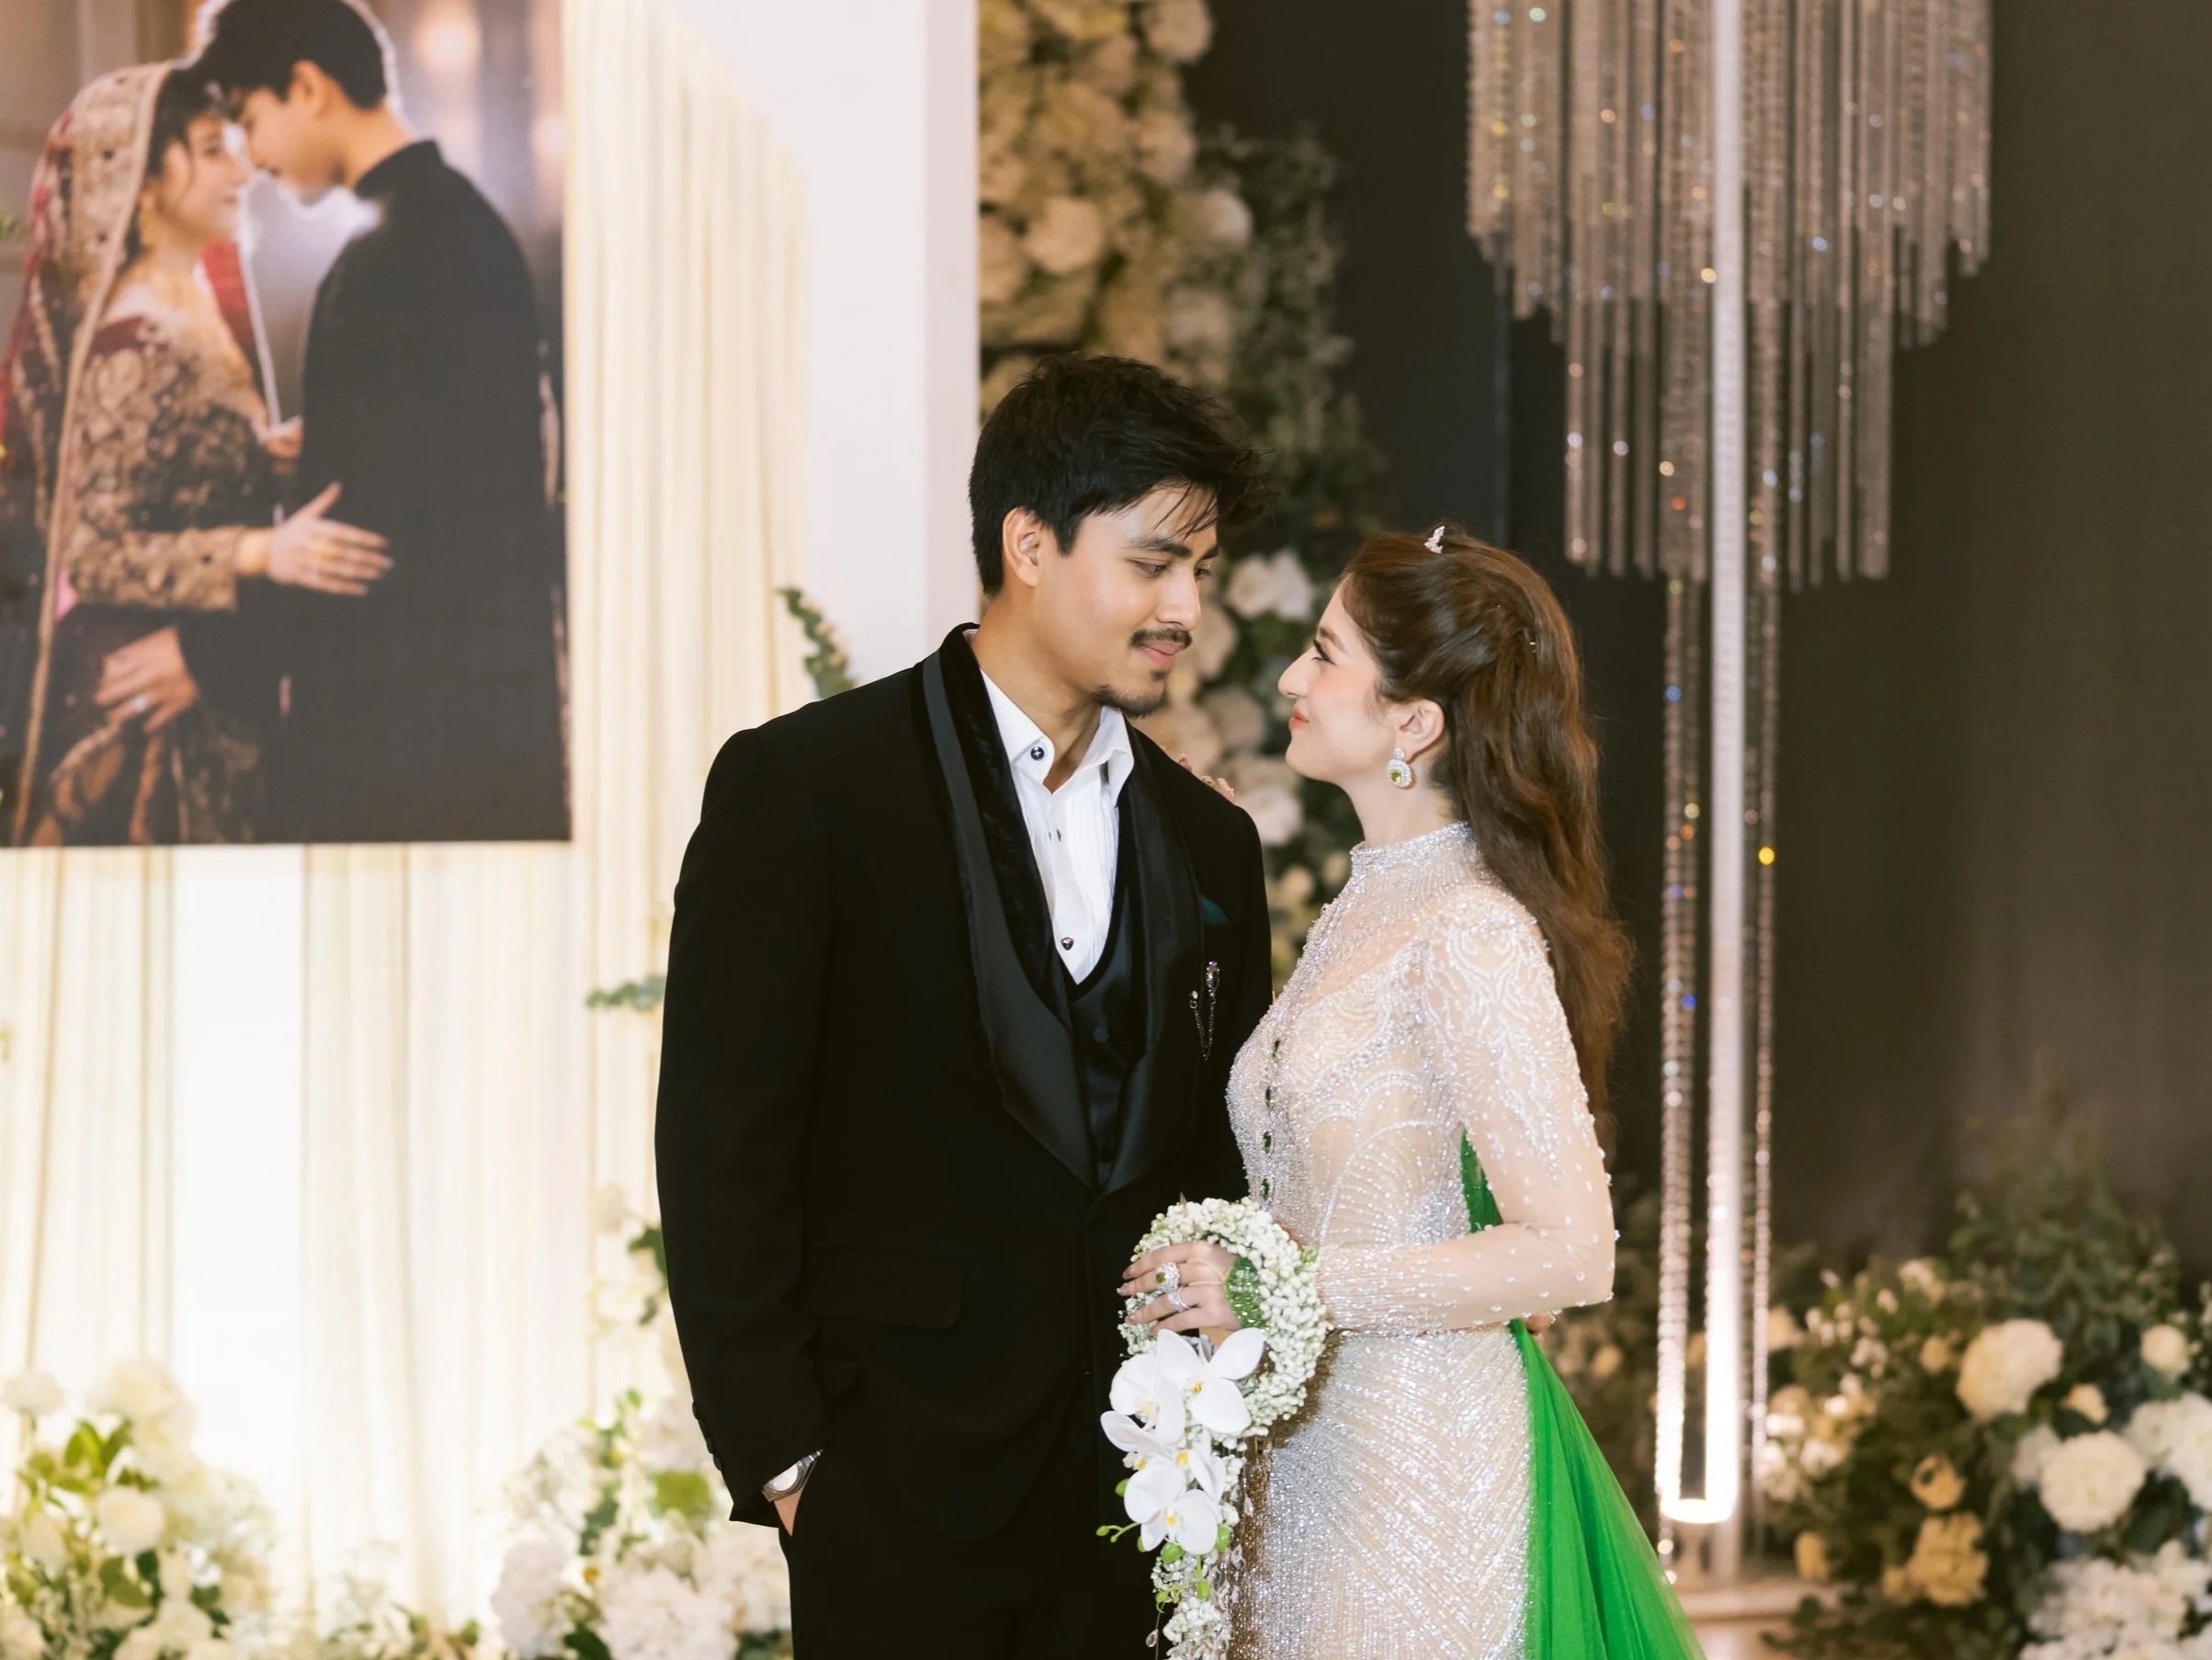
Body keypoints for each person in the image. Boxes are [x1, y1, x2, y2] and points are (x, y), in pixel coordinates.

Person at [655, 355, 1275, 1658]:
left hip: (1135, 1503)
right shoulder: (808, 789)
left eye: (1201, 571)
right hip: (892, 1484)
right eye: (1153, 563)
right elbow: (721, 1149)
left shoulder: (1208, 840)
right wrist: (788, 1459)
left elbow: (1213, 1164)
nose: (1183, 607)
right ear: (1028, 544)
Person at [1123, 526, 1706, 1658]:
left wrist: (1283, 1287)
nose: (1289, 680)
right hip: (1306, 1458)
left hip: (1418, 1477)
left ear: (1414, 723)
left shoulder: (1470, 929)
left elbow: (1571, 1252)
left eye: (1323, 653)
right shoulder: (1364, 909)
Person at [184, 0, 568, 844]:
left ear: (308, 87)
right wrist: (325, 450)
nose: (254, 158)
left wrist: (200, 661)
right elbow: (430, 466)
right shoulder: (437, 223)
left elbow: (373, 536)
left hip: (417, 740)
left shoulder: (407, 250)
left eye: (251, 120)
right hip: (451, 716)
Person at [0, 64, 388, 846]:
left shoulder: (185, 311)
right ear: (143, 181)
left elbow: (171, 473)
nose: (242, 173)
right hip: (142, 715)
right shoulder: (134, 340)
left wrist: (263, 455)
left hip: (202, 682)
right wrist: (259, 550)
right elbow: (95, 552)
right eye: (212, 151)